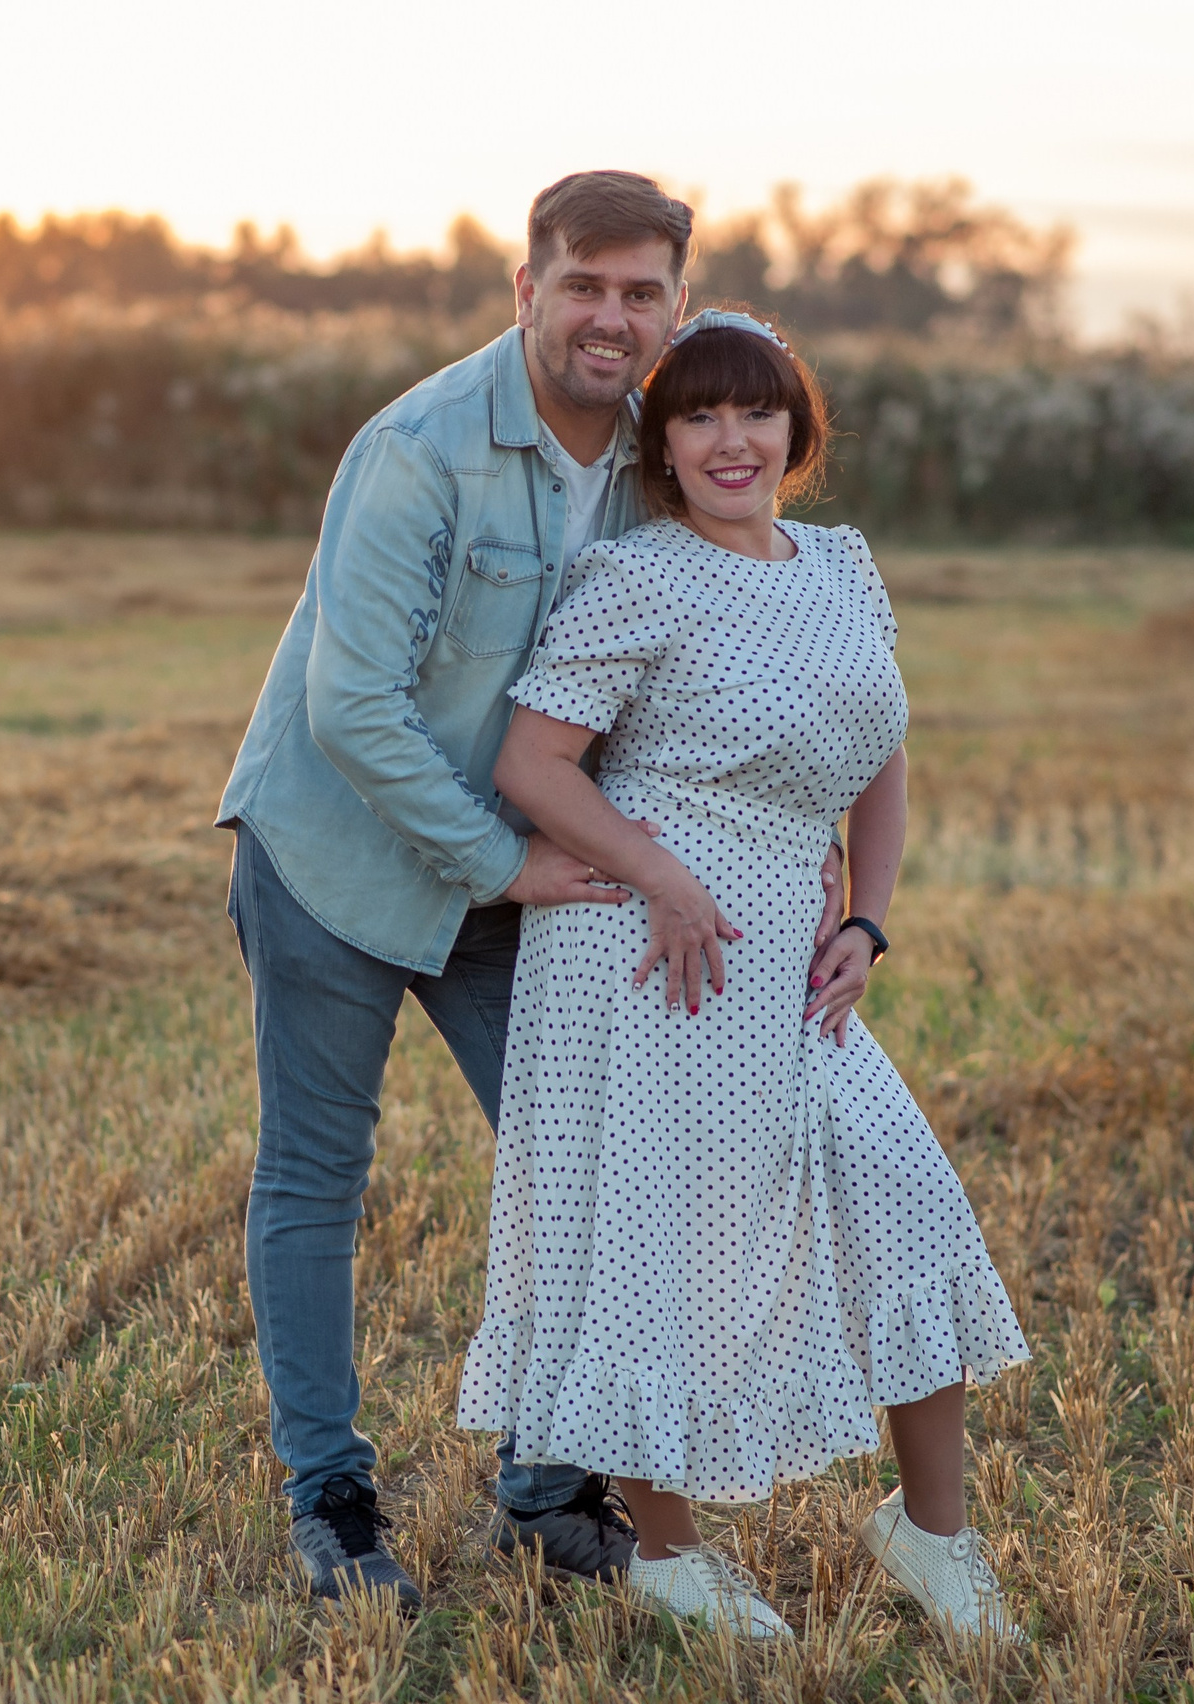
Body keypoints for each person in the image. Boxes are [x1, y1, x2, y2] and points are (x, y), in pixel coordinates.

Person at [216, 173, 842, 1608]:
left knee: (597, 1161)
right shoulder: (422, 447)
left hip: (527, 871)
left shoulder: (660, 459)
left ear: (677, 308)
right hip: (338, 857)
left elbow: (707, 664)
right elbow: (352, 705)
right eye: (584, 286)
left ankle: (547, 1486)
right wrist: (507, 860)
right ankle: (333, 1500)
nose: (611, 319)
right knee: (317, 1178)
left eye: (641, 294)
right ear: (527, 290)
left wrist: (797, 838)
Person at [455, 310, 1032, 1641]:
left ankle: (934, 1539)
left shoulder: (842, 565)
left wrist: (868, 918)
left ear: (795, 432)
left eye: (756, 412)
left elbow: (880, 751)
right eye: (700, 417)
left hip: (794, 948)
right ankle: (667, 1552)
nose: (732, 439)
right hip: (652, 952)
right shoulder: (637, 579)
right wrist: (663, 878)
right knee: (664, 1247)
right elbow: (532, 767)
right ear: (661, 448)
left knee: (906, 1204)